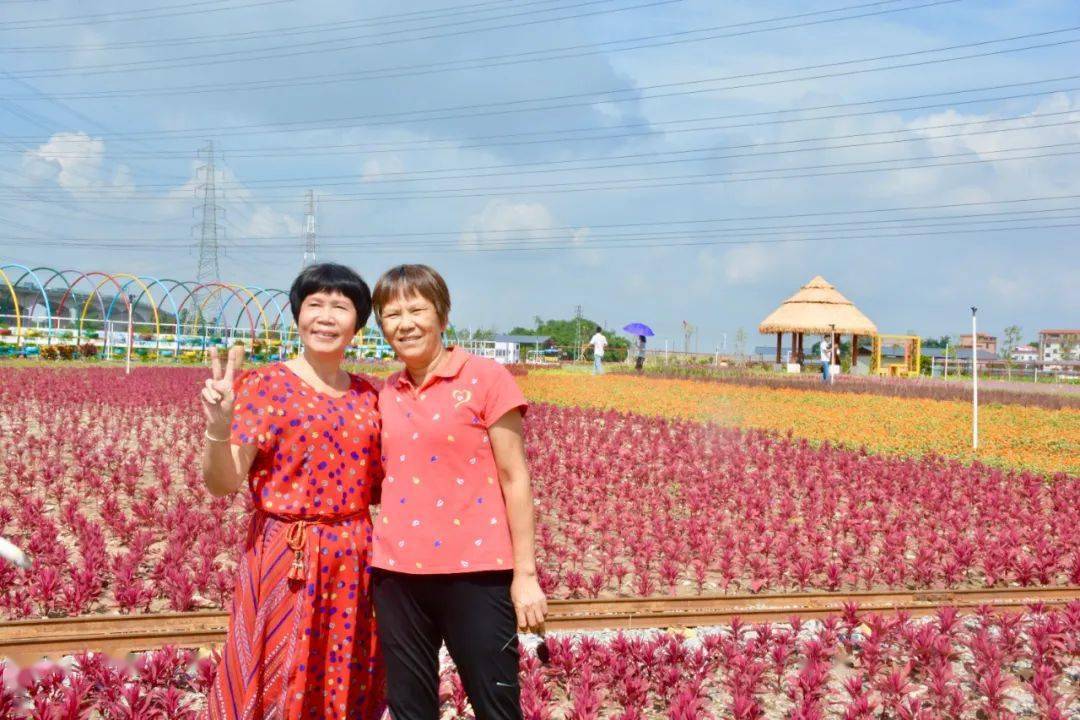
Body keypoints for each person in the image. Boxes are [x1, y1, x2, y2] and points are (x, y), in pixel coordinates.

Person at [200, 263, 385, 720]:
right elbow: (222, 482)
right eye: (314, 304)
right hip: (285, 554)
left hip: (354, 555)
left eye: (340, 307)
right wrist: (218, 430)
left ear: (358, 324)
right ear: (297, 316)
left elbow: (387, 487)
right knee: (277, 665)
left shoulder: (369, 397)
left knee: (343, 667)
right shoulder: (265, 386)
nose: (326, 316)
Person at [369, 264, 546, 720]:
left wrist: (524, 574)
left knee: (496, 703)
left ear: (442, 316)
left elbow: (515, 477)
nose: (405, 323)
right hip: (397, 575)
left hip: (477, 572)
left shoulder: (486, 378)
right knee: (409, 708)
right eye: (391, 314)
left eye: (416, 309)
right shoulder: (385, 392)